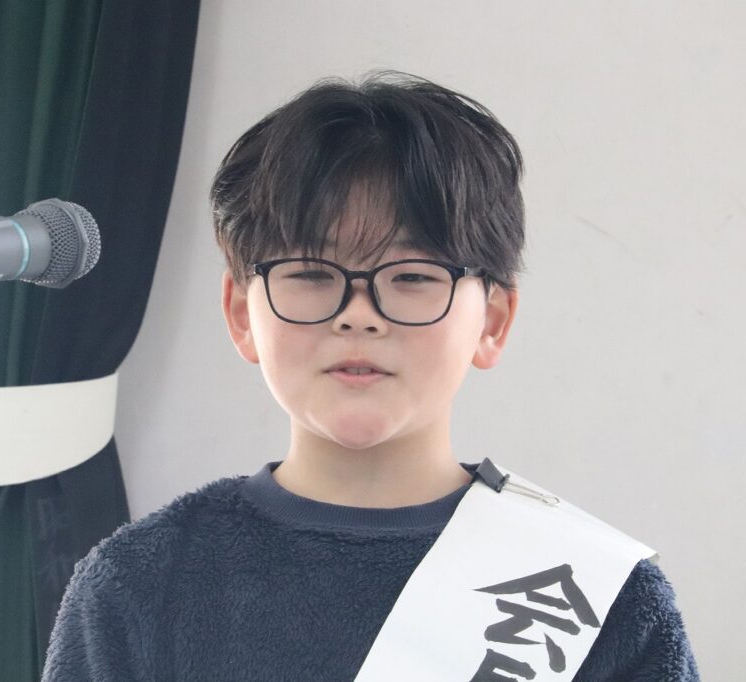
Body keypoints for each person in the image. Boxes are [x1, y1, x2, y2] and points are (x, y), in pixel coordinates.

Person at [41, 72, 699, 681]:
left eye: (412, 276)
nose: (359, 314)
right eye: (310, 272)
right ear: (242, 313)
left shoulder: (599, 596)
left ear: (493, 321)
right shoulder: (137, 585)